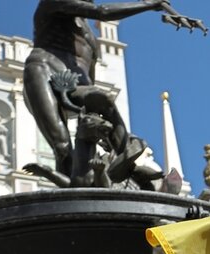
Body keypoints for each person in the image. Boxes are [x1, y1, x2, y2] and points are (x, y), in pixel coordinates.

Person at [23, 0, 165, 180]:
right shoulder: (53, 3)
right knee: (62, 146)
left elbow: (89, 81)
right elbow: (103, 12)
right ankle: (71, 196)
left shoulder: (90, 39)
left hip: (72, 84)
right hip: (42, 74)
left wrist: (102, 130)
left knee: (102, 99)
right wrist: (148, 4)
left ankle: (127, 159)